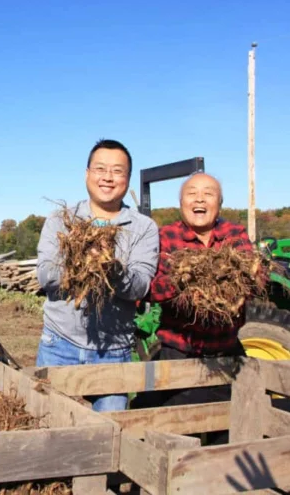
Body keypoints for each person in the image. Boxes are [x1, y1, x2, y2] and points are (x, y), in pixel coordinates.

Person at [35, 139, 160, 411]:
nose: (107, 177)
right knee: (44, 428)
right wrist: (79, 264)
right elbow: (45, 275)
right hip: (58, 344)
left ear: (127, 179)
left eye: (117, 171)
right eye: (100, 168)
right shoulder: (61, 219)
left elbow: (140, 285)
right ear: (87, 174)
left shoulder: (144, 228)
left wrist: (114, 271)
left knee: (110, 436)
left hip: (113, 351)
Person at [133, 172, 253, 411]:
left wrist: (228, 287)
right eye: (192, 194)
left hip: (226, 353)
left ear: (219, 204)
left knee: (229, 428)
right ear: (181, 203)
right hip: (178, 353)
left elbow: (254, 277)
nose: (199, 199)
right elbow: (151, 289)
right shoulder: (165, 237)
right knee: (177, 426)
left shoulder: (234, 234)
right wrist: (185, 282)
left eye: (208, 194)